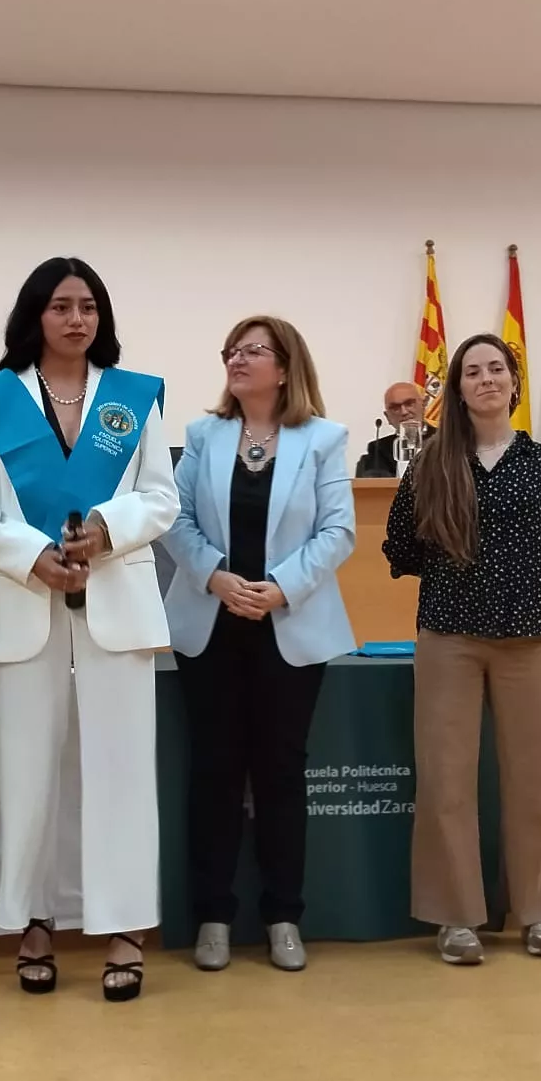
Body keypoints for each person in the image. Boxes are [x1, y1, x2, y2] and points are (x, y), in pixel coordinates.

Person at [0, 256, 178, 1002]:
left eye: (87, 306)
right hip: (23, 603)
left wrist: (106, 529)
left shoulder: (135, 397)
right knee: (25, 774)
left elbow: (160, 497)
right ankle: (34, 921)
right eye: (59, 306)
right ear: (34, 316)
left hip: (116, 600)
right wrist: (31, 554)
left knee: (121, 775)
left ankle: (123, 926)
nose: (75, 319)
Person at [164, 316, 355, 975]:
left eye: (253, 351)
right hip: (210, 625)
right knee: (213, 770)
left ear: (285, 366)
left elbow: (338, 532)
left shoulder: (324, 439)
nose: (237, 360)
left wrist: (278, 588)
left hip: (289, 627)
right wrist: (214, 575)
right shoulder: (202, 435)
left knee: (279, 774)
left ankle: (283, 916)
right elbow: (174, 520)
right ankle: (212, 916)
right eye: (232, 351)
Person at [383, 333, 541, 966]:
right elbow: (402, 551)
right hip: (448, 639)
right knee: (446, 781)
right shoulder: (431, 463)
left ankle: (539, 913)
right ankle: (455, 916)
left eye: (497, 369)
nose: (486, 379)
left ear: (514, 383)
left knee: (529, 781)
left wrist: (517, 589)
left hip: (526, 642)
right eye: (472, 371)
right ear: (457, 389)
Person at [355, 380, 427, 478]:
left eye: (409, 404)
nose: (404, 412)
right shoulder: (378, 450)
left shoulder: (446, 440)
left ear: (423, 405)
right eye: (395, 408)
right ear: (387, 417)